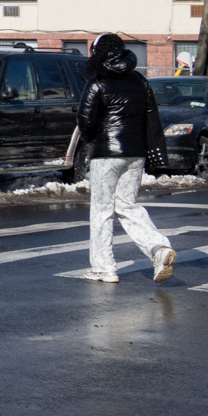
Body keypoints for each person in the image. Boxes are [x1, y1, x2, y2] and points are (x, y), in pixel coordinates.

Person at [75, 32, 178, 283]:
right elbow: (151, 117)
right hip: (136, 153)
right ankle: (158, 248)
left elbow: (85, 121)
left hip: (105, 154)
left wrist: (93, 140)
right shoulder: (140, 81)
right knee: (127, 206)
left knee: (102, 211)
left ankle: (103, 268)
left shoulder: (97, 82)